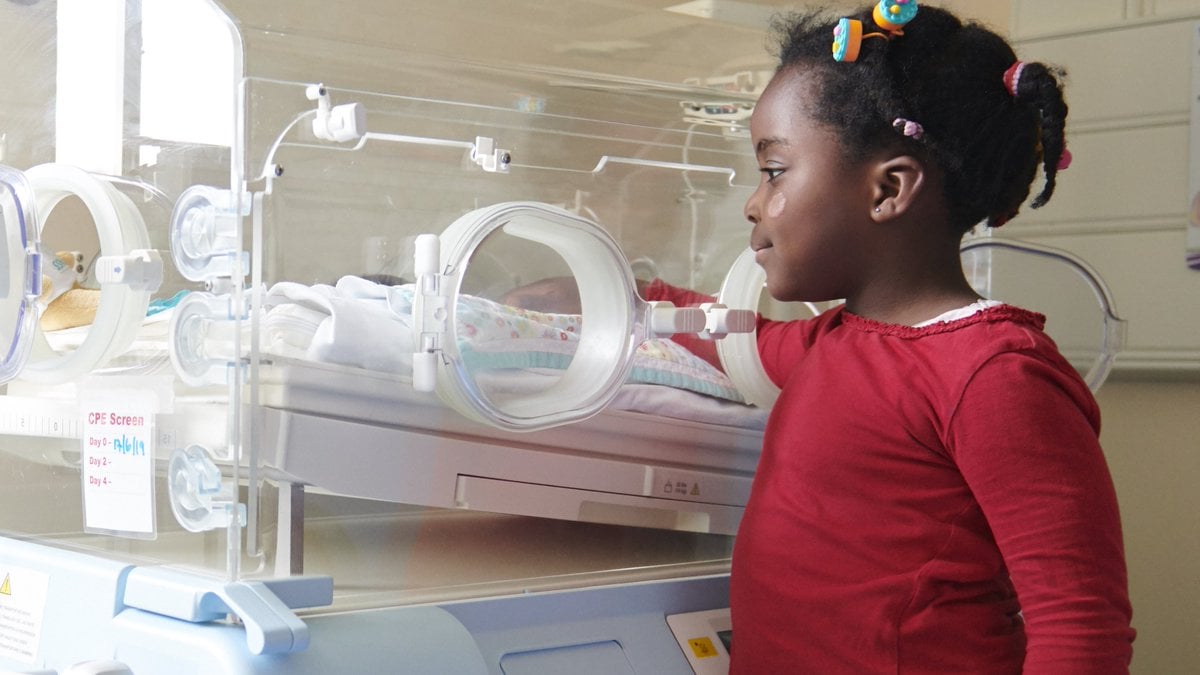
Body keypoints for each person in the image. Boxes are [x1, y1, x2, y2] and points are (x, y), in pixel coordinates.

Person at [638, 3, 1135, 673]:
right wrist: (629, 297)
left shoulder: (994, 376)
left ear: (889, 189)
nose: (753, 203)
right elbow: (727, 335)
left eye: (775, 170)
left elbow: (1080, 624)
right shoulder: (833, 343)